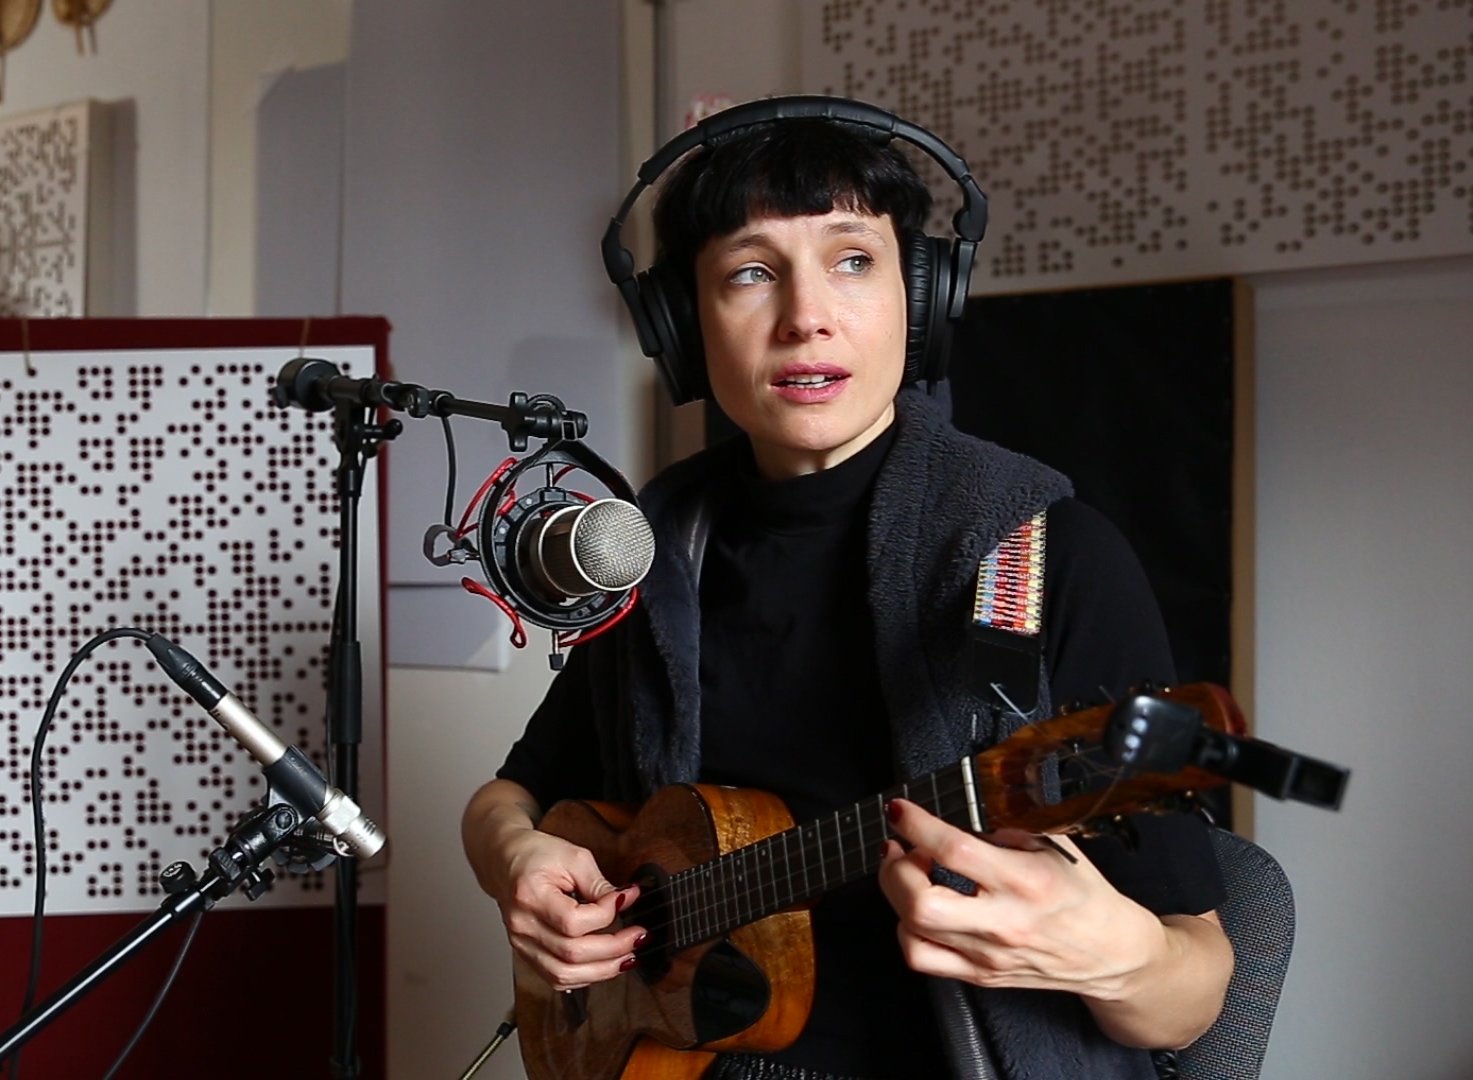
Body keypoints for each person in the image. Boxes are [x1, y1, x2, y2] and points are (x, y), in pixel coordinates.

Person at [460, 104, 1234, 1080]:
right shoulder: (655, 556)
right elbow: (511, 795)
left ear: (923, 296)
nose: (806, 317)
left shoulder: (1048, 558)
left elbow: (1196, 986)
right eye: (751, 272)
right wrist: (516, 862)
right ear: (683, 325)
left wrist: (1119, 959)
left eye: (854, 260)